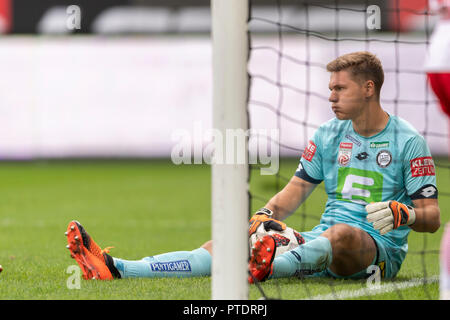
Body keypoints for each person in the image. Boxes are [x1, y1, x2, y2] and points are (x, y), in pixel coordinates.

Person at [66, 51, 441, 282]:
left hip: (376, 254)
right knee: (226, 243)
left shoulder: (407, 141)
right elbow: (294, 191)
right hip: (318, 243)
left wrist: (403, 213)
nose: (331, 96)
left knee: (342, 233)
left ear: (369, 88)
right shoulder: (328, 134)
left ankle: (266, 266)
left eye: (339, 89)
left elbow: (432, 216)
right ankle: (118, 268)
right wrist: (263, 214)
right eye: (330, 88)